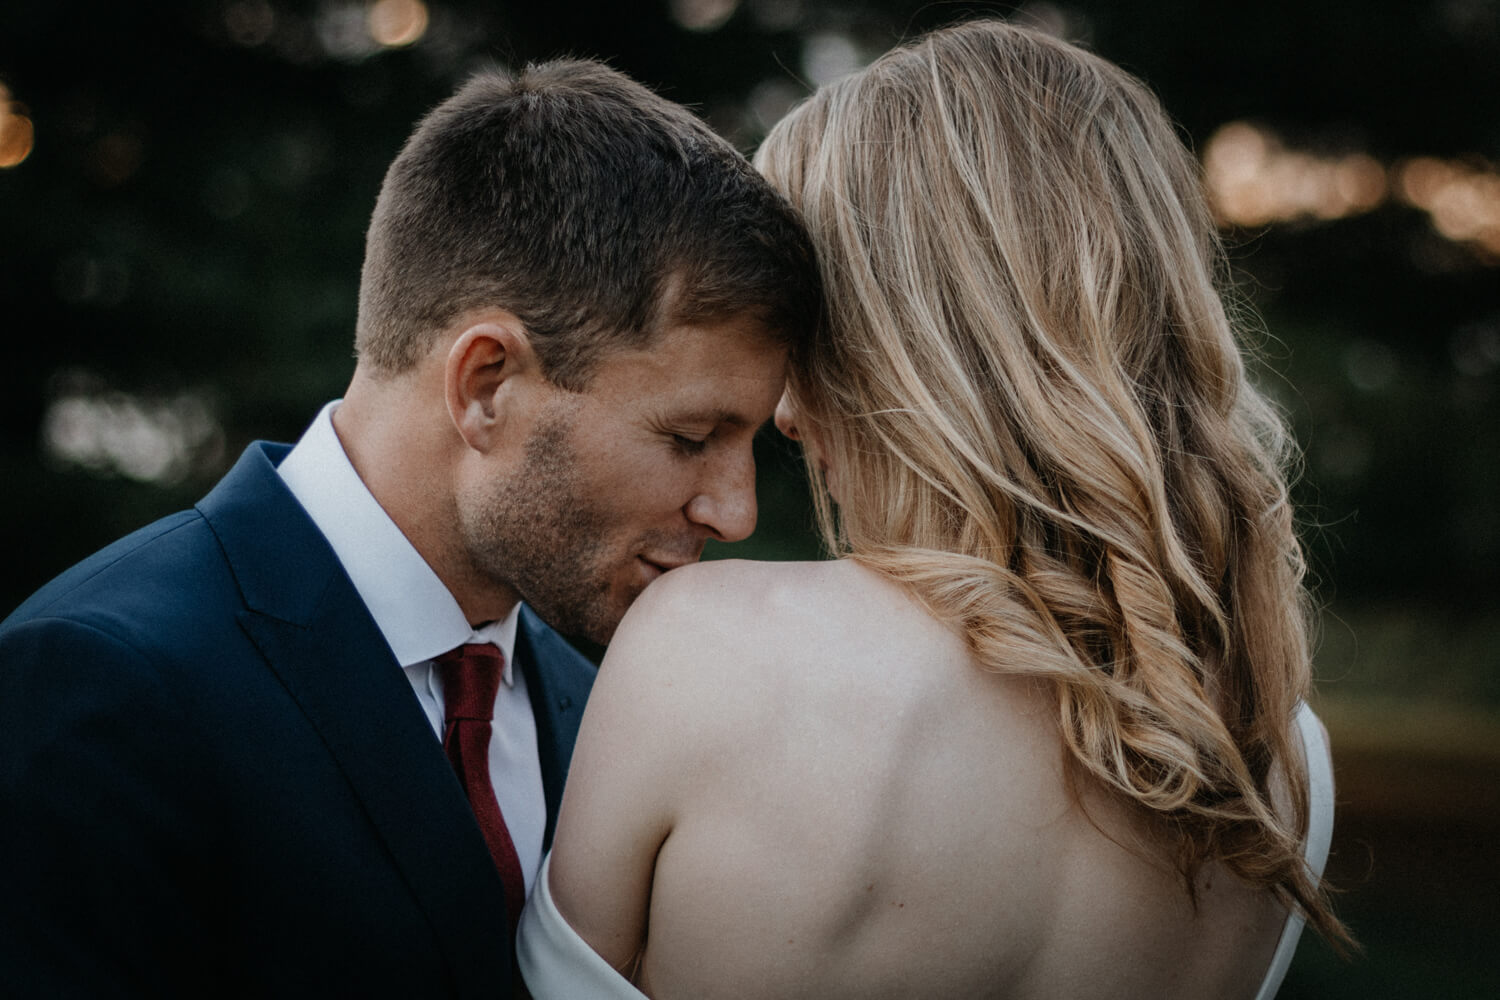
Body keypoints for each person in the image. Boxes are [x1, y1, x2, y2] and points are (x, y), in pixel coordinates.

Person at [516, 20, 1354, 1000]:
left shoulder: (712, 650)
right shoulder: (1277, 762)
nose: (786, 410)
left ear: (896, 341)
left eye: (811, 334)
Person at [0, 59, 818, 996]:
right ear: (486, 385)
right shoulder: (99, 690)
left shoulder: (604, 707)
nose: (737, 509)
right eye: (691, 437)